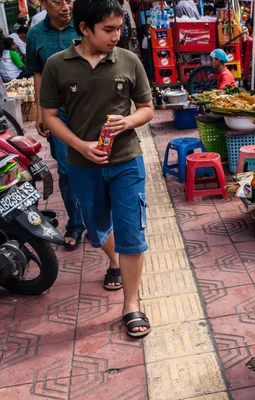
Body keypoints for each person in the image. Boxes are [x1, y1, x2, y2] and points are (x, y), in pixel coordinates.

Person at [40, 0, 154, 338]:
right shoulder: (57, 65)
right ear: (85, 28)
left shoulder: (129, 60)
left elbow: (147, 107)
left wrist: (128, 121)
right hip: (82, 166)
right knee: (97, 225)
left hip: (126, 162)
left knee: (132, 231)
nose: (116, 36)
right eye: (108, 29)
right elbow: (48, 116)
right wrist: (79, 145)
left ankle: (131, 304)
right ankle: (114, 261)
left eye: (119, 28)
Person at [26, 0, 86, 250]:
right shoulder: (35, 34)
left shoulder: (85, 25)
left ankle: (99, 220)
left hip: (89, 109)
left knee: (98, 165)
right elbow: (38, 73)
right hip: (57, 113)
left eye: (69, 0)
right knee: (68, 170)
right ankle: (76, 224)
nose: (65, 7)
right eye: (56, 2)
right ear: (42, 4)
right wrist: (40, 111)